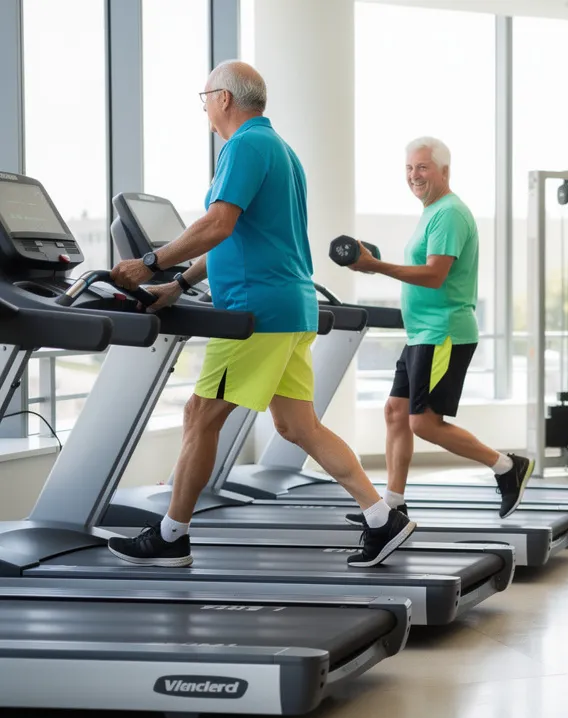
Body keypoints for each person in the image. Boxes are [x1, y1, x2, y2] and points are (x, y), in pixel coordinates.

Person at [106, 60, 415, 568]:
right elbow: (237, 236)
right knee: (299, 426)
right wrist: (178, 284)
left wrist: (149, 263)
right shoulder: (281, 151)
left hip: (255, 311)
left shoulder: (244, 146)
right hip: (290, 307)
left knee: (200, 416)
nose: (205, 109)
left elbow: (217, 225)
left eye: (205, 98)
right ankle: (383, 517)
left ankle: (171, 536)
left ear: (224, 98)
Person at [344, 137, 533, 520]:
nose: (414, 175)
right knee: (396, 412)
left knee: (424, 423)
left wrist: (376, 267)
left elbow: (434, 275)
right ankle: (393, 504)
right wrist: (376, 264)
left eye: (423, 167)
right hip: (421, 334)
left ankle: (507, 467)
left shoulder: (448, 213)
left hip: (443, 333)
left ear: (444, 171)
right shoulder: (432, 211)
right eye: (409, 168)